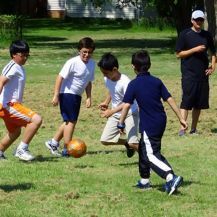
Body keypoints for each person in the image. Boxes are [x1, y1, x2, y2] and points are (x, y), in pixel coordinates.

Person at [117, 50, 187, 195]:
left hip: (149, 123)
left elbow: (126, 105)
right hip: (161, 120)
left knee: (151, 154)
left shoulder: (134, 84)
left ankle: (170, 177)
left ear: (133, 66)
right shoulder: (157, 81)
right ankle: (144, 181)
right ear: (149, 65)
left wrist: (121, 123)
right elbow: (169, 99)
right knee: (144, 149)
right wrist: (181, 117)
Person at [45, 37, 95, 156]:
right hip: (67, 93)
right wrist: (56, 95)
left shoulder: (92, 64)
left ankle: (53, 142)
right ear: (79, 51)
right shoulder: (72, 62)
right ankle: (67, 149)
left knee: (69, 121)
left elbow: (88, 82)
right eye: (84, 52)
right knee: (71, 122)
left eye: (89, 52)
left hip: (77, 95)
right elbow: (60, 77)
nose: (87, 55)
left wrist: (89, 97)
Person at [0, 40, 42, 161]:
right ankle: (21, 149)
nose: (25, 58)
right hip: (8, 105)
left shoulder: (19, 67)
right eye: (22, 55)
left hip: (9, 105)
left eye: (27, 55)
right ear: (14, 55)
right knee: (36, 120)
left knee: (15, 132)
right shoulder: (12, 66)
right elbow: (1, 81)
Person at [176, 10, 216, 136]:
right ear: (192, 20)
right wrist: (195, 49)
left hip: (203, 74)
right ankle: (183, 128)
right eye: (197, 19)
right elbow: (178, 54)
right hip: (189, 73)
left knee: (198, 103)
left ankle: (193, 129)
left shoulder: (206, 35)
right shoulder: (185, 34)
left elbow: (213, 53)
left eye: (201, 20)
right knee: (187, 101)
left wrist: (213, 66)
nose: (199, 22)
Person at [97, 53, 139, 158]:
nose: (104, 76)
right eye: (103, 73)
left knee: (133, 142)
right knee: (105, 140)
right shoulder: (108, 79)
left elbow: (128, 102)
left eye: (106, 73)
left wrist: (111, 111)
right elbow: (112, 91)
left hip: (130, 113)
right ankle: (127, 144)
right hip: (116, 113)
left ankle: (149, 161)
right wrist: (106, 102)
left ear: (114, 70)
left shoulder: (125, 82)